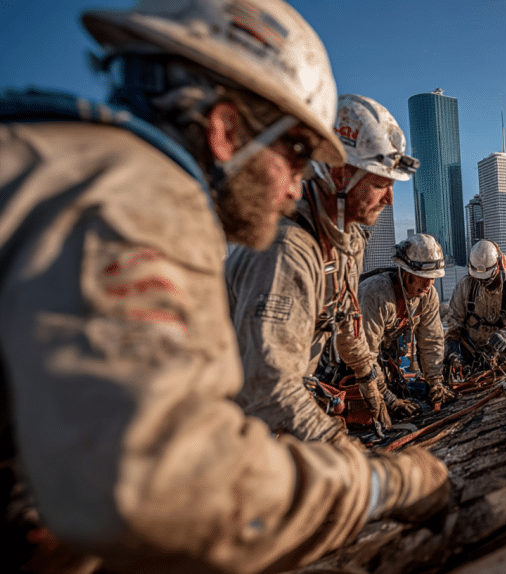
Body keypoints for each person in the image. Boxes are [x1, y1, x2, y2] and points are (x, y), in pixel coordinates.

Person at [0, 1, 447, 572]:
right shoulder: (136, 202)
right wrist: (381, 484)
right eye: (296, 154)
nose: (295, 187)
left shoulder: (74, 168)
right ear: (227, 130)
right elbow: (159, 486)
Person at [226, 94, 418, 440]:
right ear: (341, 174)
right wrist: (340, 452)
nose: (390, 199)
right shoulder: (287, 251)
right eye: (380, 183)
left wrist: (373, 386)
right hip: (241, 419)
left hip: (282, 398)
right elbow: (269, 389)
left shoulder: (345, 241)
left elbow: (345, 321)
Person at [359, 234, 457, 410]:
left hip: (380, 363)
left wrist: (435, 383)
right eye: (424, 277)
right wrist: (386, 397)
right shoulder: (376, 294)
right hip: (351, 363)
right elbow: (364, 354)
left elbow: (431, 340)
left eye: (433, 277)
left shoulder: (428, 296)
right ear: (406, 273)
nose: (430, 283)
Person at [445, 240, 506, 375]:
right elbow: (454, 319)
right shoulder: (465, 287)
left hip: (503, 348)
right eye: (478, 278)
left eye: (486, 278)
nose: (482, 282)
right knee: (447, 364)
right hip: (472, 348)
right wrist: (453, 349)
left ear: (498, 266)